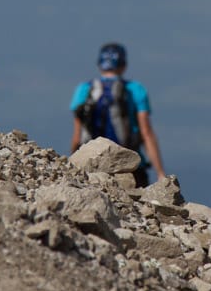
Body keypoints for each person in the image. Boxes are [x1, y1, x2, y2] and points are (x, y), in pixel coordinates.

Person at [70, 43, 165, 187]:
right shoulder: (136, 89)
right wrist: (160, 173)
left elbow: (77, 136)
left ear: (99, 65)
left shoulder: (84, 90)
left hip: (93, 164)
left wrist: (73, 164)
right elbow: (146, 133)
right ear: (124, 65)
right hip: (130, 165)